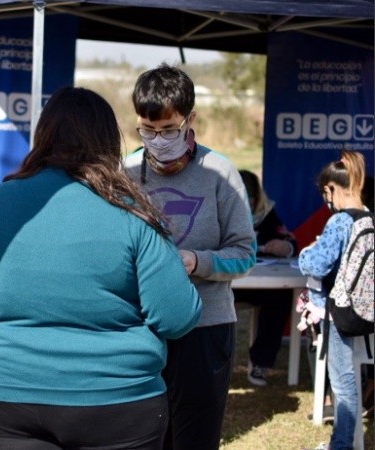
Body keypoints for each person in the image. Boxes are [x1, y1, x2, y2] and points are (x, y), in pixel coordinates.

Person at [0, 87, 202, 450]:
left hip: (3, 397)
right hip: (117, 402)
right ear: (109, 144)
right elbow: (177, 317)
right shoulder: (134, 214)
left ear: (43, 137)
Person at [123, 63, 256, 450]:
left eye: (168, 129)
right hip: (143, 328)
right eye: (147, 130)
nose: (158, 140)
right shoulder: (124, 172)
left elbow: (245, 255)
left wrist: (197, 261)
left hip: (205, 327)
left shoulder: (220, 173)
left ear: (190, 120)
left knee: (195, 437)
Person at [299, 150, 369, 450]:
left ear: (331, 189)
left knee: (342, 382)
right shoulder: (368, 217)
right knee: (351, 376)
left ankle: (342, 445)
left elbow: (316, 265)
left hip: (339, 311)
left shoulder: (340, 222)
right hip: (365, 309)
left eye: (324, 194)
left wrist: (306, 253)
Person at [233, 169, 298, 387]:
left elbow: (289, 241)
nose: (248, 206)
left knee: (281, 297)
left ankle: (261, 362)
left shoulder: (266, 214)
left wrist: (285, 247)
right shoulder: (218, 212)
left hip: (259, 283)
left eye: (251, 200)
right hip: (227, 282)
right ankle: (211, 363)